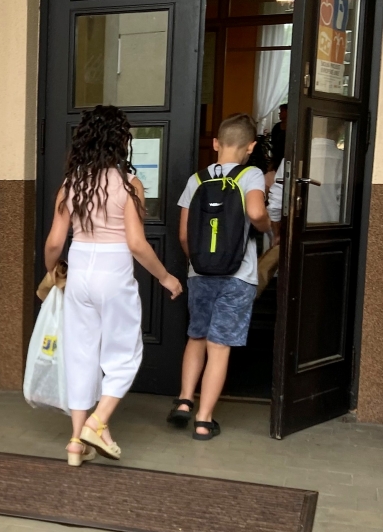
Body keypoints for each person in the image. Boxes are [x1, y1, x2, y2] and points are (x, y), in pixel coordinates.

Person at [44, 105, 182, 467]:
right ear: (120, 141)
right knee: (124, 353)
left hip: (78, 271)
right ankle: (97, 421)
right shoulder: (127, 184)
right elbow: (137, 244)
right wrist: (166, 277)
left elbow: (55, 243)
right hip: (114, 271)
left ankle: (76, 443)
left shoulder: (70, 184)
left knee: (80, 355)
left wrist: (54, 273)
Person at [168, 113, 271, 439]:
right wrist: (269, 230)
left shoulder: (197, 180)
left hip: (199, 273)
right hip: (237, 276)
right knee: (220, 346)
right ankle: (204, 420)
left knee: (196, 337)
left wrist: (197, 263)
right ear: (251, 146)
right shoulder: (251, 174)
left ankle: (184, 401)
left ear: (215, 144)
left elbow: (184, 235)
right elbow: (256, 212)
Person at [270, 103, 287, 171]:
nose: (279, 113)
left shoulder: (293, 127)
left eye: (282, 111)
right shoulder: (276, 127)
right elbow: (274, 144)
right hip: (277, 159)